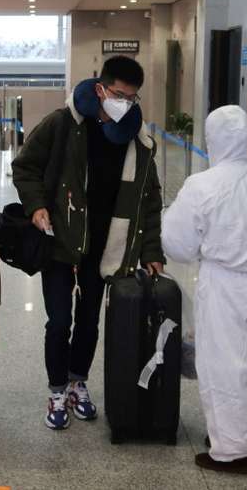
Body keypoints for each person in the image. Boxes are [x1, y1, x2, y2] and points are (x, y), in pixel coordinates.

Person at [12, 56, 165, 430]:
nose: (125, 103)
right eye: (118, 94)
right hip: (61, 242)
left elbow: (149, 198)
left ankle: (79, 382)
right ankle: (57, 390)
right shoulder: (64, 123)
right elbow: (25, 166)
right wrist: (36, 206)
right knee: (59, 321)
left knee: (89, 324)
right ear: (100, 88)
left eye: (132, 98)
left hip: (105, 248)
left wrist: (151, 251)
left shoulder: (137, 139)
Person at [161, 105, 247, 475]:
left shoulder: (202, 185)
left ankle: (231, 450)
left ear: (213, 141)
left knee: (225, 364)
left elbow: (177, 243)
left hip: (225, 283)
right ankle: (243, 434)